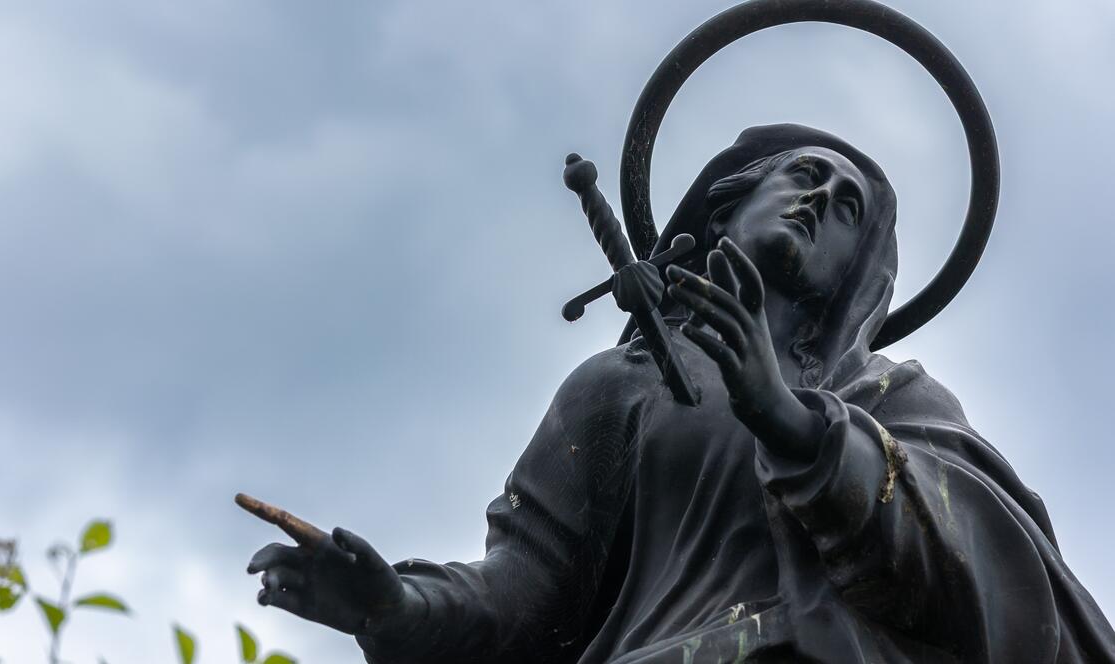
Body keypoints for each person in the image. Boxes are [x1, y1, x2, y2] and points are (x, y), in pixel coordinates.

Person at [241, 124, 1115, 662]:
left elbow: (998, 580)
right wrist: (397, 604)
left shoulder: (890, 398)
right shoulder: (623, 384)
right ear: (728, 207)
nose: (821, 200)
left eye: (848, 208)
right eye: (803, 176)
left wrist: (799, 429)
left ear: (856, 275)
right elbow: (530, 588)